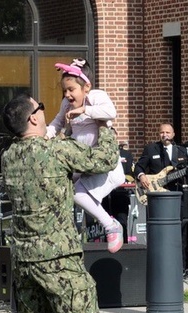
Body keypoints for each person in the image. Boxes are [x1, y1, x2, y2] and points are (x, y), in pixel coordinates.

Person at [0, 92, 131, 313]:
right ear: (32, 118)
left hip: (25, 260)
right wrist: (105, 124)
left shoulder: (10, 157)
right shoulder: (55, 151)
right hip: (59, 259)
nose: (46, 111)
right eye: (41, 108)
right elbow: (104, 158)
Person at [46, 58, 125, 253]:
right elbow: (56, 123)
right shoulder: (66, 104)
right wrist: (44, 135)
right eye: (65, 90)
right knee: (60, 188)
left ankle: (111, 226)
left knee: (77, 194)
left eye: (71, 89)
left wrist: (84, 110)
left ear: (86, 87)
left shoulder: (96, 97)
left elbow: (111, 112)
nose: (67, 95)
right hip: (81, 162)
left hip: (104, 165)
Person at [135, 122, 188, 191]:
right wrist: (141, 176)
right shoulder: (151, 149)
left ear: (173, 135)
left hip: (177, 191)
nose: (164, 135)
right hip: (156, 192)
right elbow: (138, 166)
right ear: (159, 134)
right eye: (162, 132)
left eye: (167, 132)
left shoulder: (181, 150)